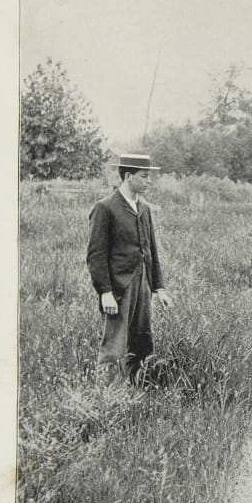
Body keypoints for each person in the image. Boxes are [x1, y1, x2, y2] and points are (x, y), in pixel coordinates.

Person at [86, 153, 174, 386]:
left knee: (142, 342)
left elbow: (151, 250)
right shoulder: (105, 208)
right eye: (144, 176)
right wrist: (105, 291)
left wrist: (159, 288)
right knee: (114, 346)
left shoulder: (144, 208)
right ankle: (107, 396)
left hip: (142, 285)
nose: (149, 181)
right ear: (127, 177)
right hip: (119, 288)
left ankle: (137, 390)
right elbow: (96, 255)